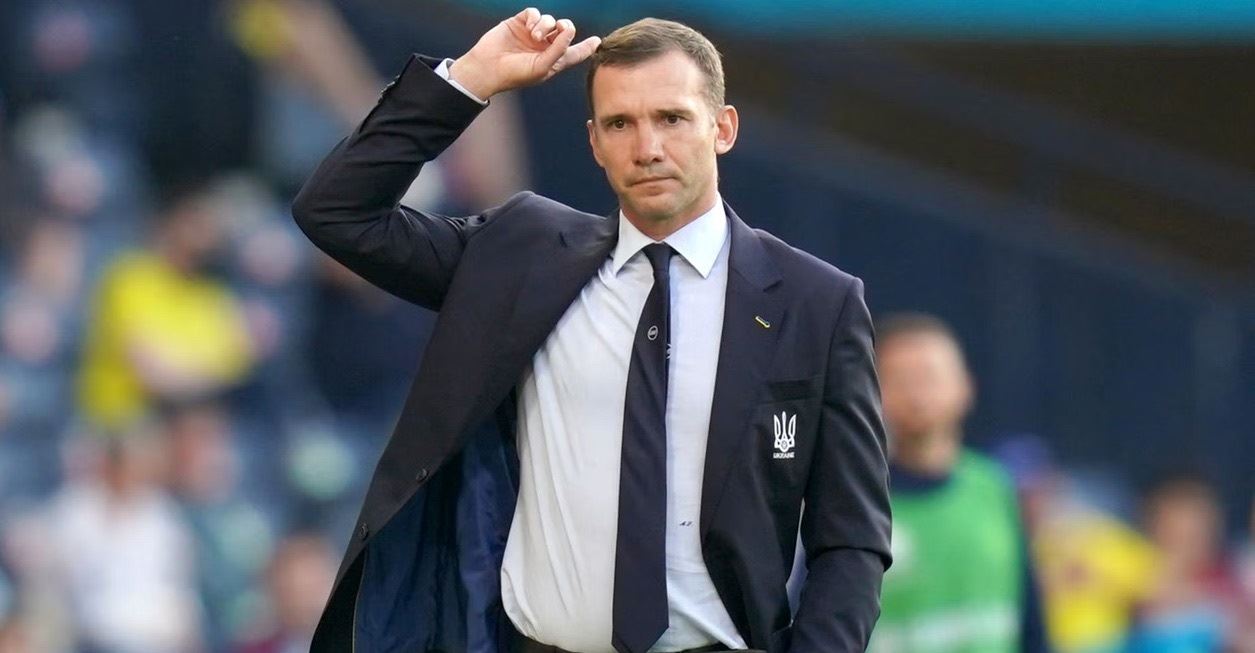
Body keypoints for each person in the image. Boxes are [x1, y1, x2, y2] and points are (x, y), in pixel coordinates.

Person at [292, 8, 890, 653]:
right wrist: (469, 80)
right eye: (620, 123)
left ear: (723, 128)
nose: (647, 148)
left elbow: (851, 538)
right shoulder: (523, 256)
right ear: (594, 142)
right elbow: (338, 212)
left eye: (671, 118)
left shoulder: (816, 302)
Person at [866, 313, 1047, 653]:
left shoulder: (995, 486)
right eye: (900, 379)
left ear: (965, 386)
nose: (917, 394)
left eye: (929, 377)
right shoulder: (858, 503)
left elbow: (1030, 617)